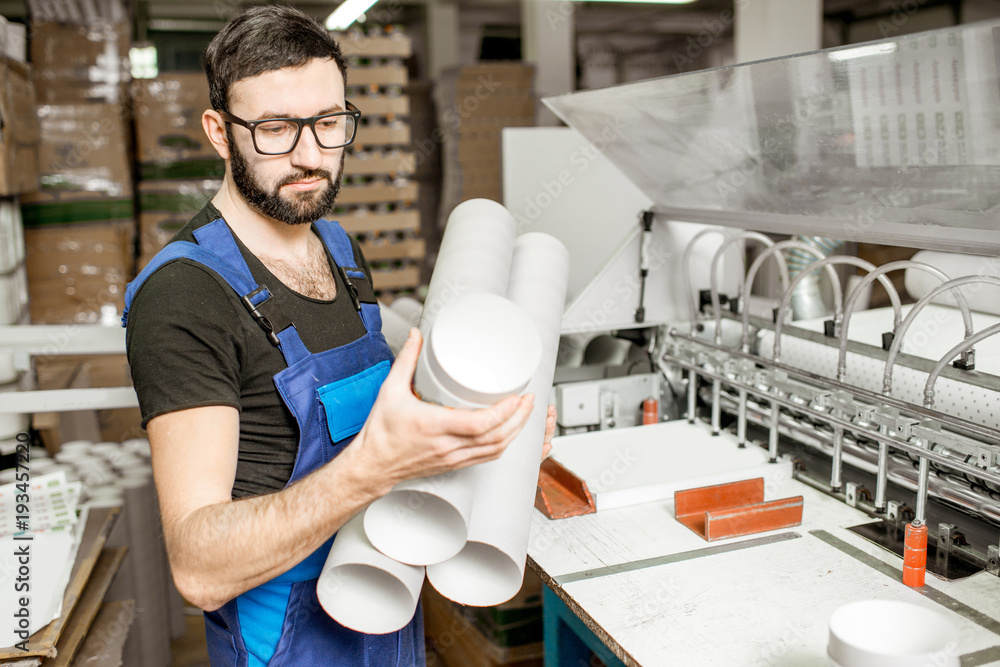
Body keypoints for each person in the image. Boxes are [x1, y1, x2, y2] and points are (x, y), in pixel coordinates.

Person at [123, 6, 553, 666]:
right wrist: (371, 468)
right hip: (290, 648)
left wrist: (486, 435)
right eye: (274, 129)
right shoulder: (184, 296)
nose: (309, 155)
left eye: (328, 124)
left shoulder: (339, 248)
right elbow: (198, 565)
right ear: (218, 132)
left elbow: (391, 433)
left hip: (387, 619)